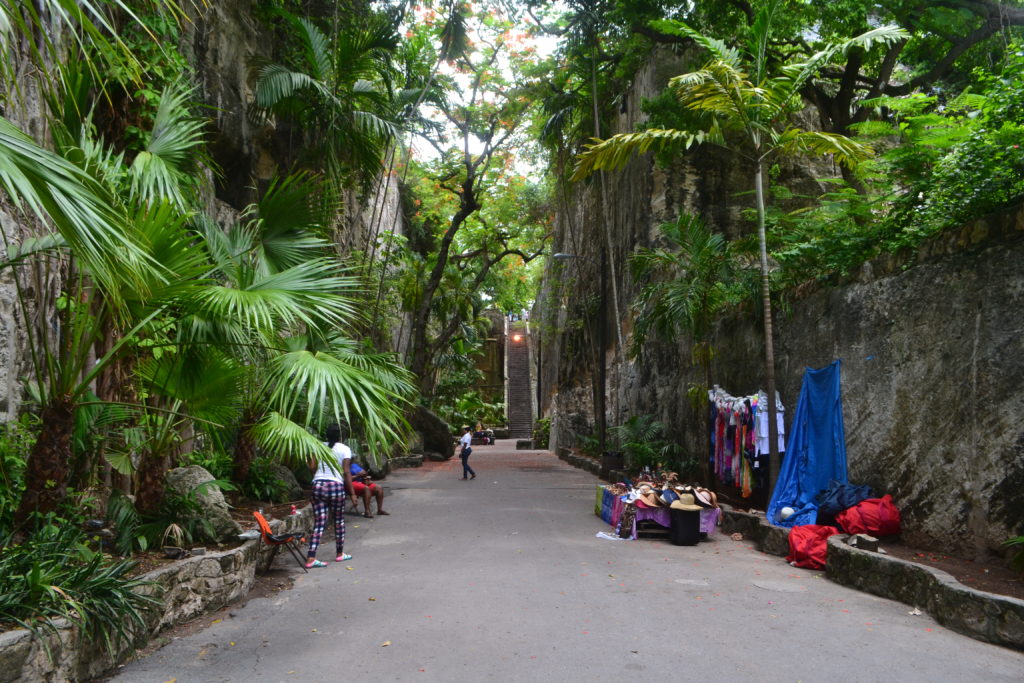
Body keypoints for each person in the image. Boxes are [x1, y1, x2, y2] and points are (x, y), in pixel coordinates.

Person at [306, 423, 354, 568]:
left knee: (319, 523)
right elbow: (346, 472)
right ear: (339, 436)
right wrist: (352, 494)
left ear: (326, 435)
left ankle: (311, 557)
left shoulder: (318, 446)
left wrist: (317, 478)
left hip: (318, 486)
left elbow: (313, 467)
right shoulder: (345, 449)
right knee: (338, 521)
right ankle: (340, 554)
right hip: (336, 486)